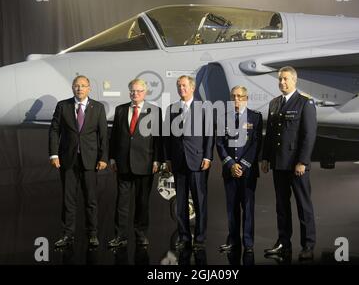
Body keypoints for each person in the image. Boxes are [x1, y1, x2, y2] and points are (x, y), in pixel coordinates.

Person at [261, 66, 317, 260]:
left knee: (304, 206)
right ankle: (283, 242)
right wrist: (266, 157)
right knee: (282, 206)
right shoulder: (274, 104)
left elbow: (309, 135)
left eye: (285, 79)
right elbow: (270, 135)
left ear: (294, 80)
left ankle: (308, 245)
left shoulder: (305, 103)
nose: (282, 83)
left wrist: (302, 161)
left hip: (296, 165)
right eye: (280, 79)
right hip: (278, 163)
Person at [49, 75, 108, 248]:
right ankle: (67, 235)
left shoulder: (98, 107)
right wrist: (53, 155)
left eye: (83, 86)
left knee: (91, 200)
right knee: (68, 200)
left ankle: (93, 235)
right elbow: (54, 131)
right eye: (76, 86)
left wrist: (104, 157)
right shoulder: (63, 106)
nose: (79, 89)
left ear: (89, 88)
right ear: (72, 88)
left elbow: (103, 135)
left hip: (90, 161)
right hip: (67, 161)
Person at [108, 78, 162, 248]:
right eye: (132, 91)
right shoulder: (120, 110)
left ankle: (141, 235)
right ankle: (120, 236)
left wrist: (157, 160)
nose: (135, 94)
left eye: (139, 91)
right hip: (123, 164)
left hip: (145, 164)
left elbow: (159, 139)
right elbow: (115, 136)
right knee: (121, 203)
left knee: (142, 203)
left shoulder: (155, 111)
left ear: (145, 92)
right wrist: (112, 157)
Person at [164, 75, 214, 251]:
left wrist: (208, 157)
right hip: (178, 161)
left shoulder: (204, 108)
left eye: (184, 85)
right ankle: (184, 236)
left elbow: (209, 135)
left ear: (192, 88)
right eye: (179, 86)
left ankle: (200, 237)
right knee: (181, 203)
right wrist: (168, 158)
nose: (181, 88)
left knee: (200, 201)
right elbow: (167, 137)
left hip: (198, 160)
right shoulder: (171, 108)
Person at [216, 86, 262, 254]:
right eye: (233, 96)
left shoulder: (255, 117)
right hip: (230, 170)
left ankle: (248, 243)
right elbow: (219, 143)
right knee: (232, 208)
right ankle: (233, 240)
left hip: (247, 171)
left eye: (240, 96)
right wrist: (230, 165)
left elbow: (256, 143)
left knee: (248, 208)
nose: (236, 100)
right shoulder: (223, 117)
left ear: (246, 98)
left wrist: (242, 165)